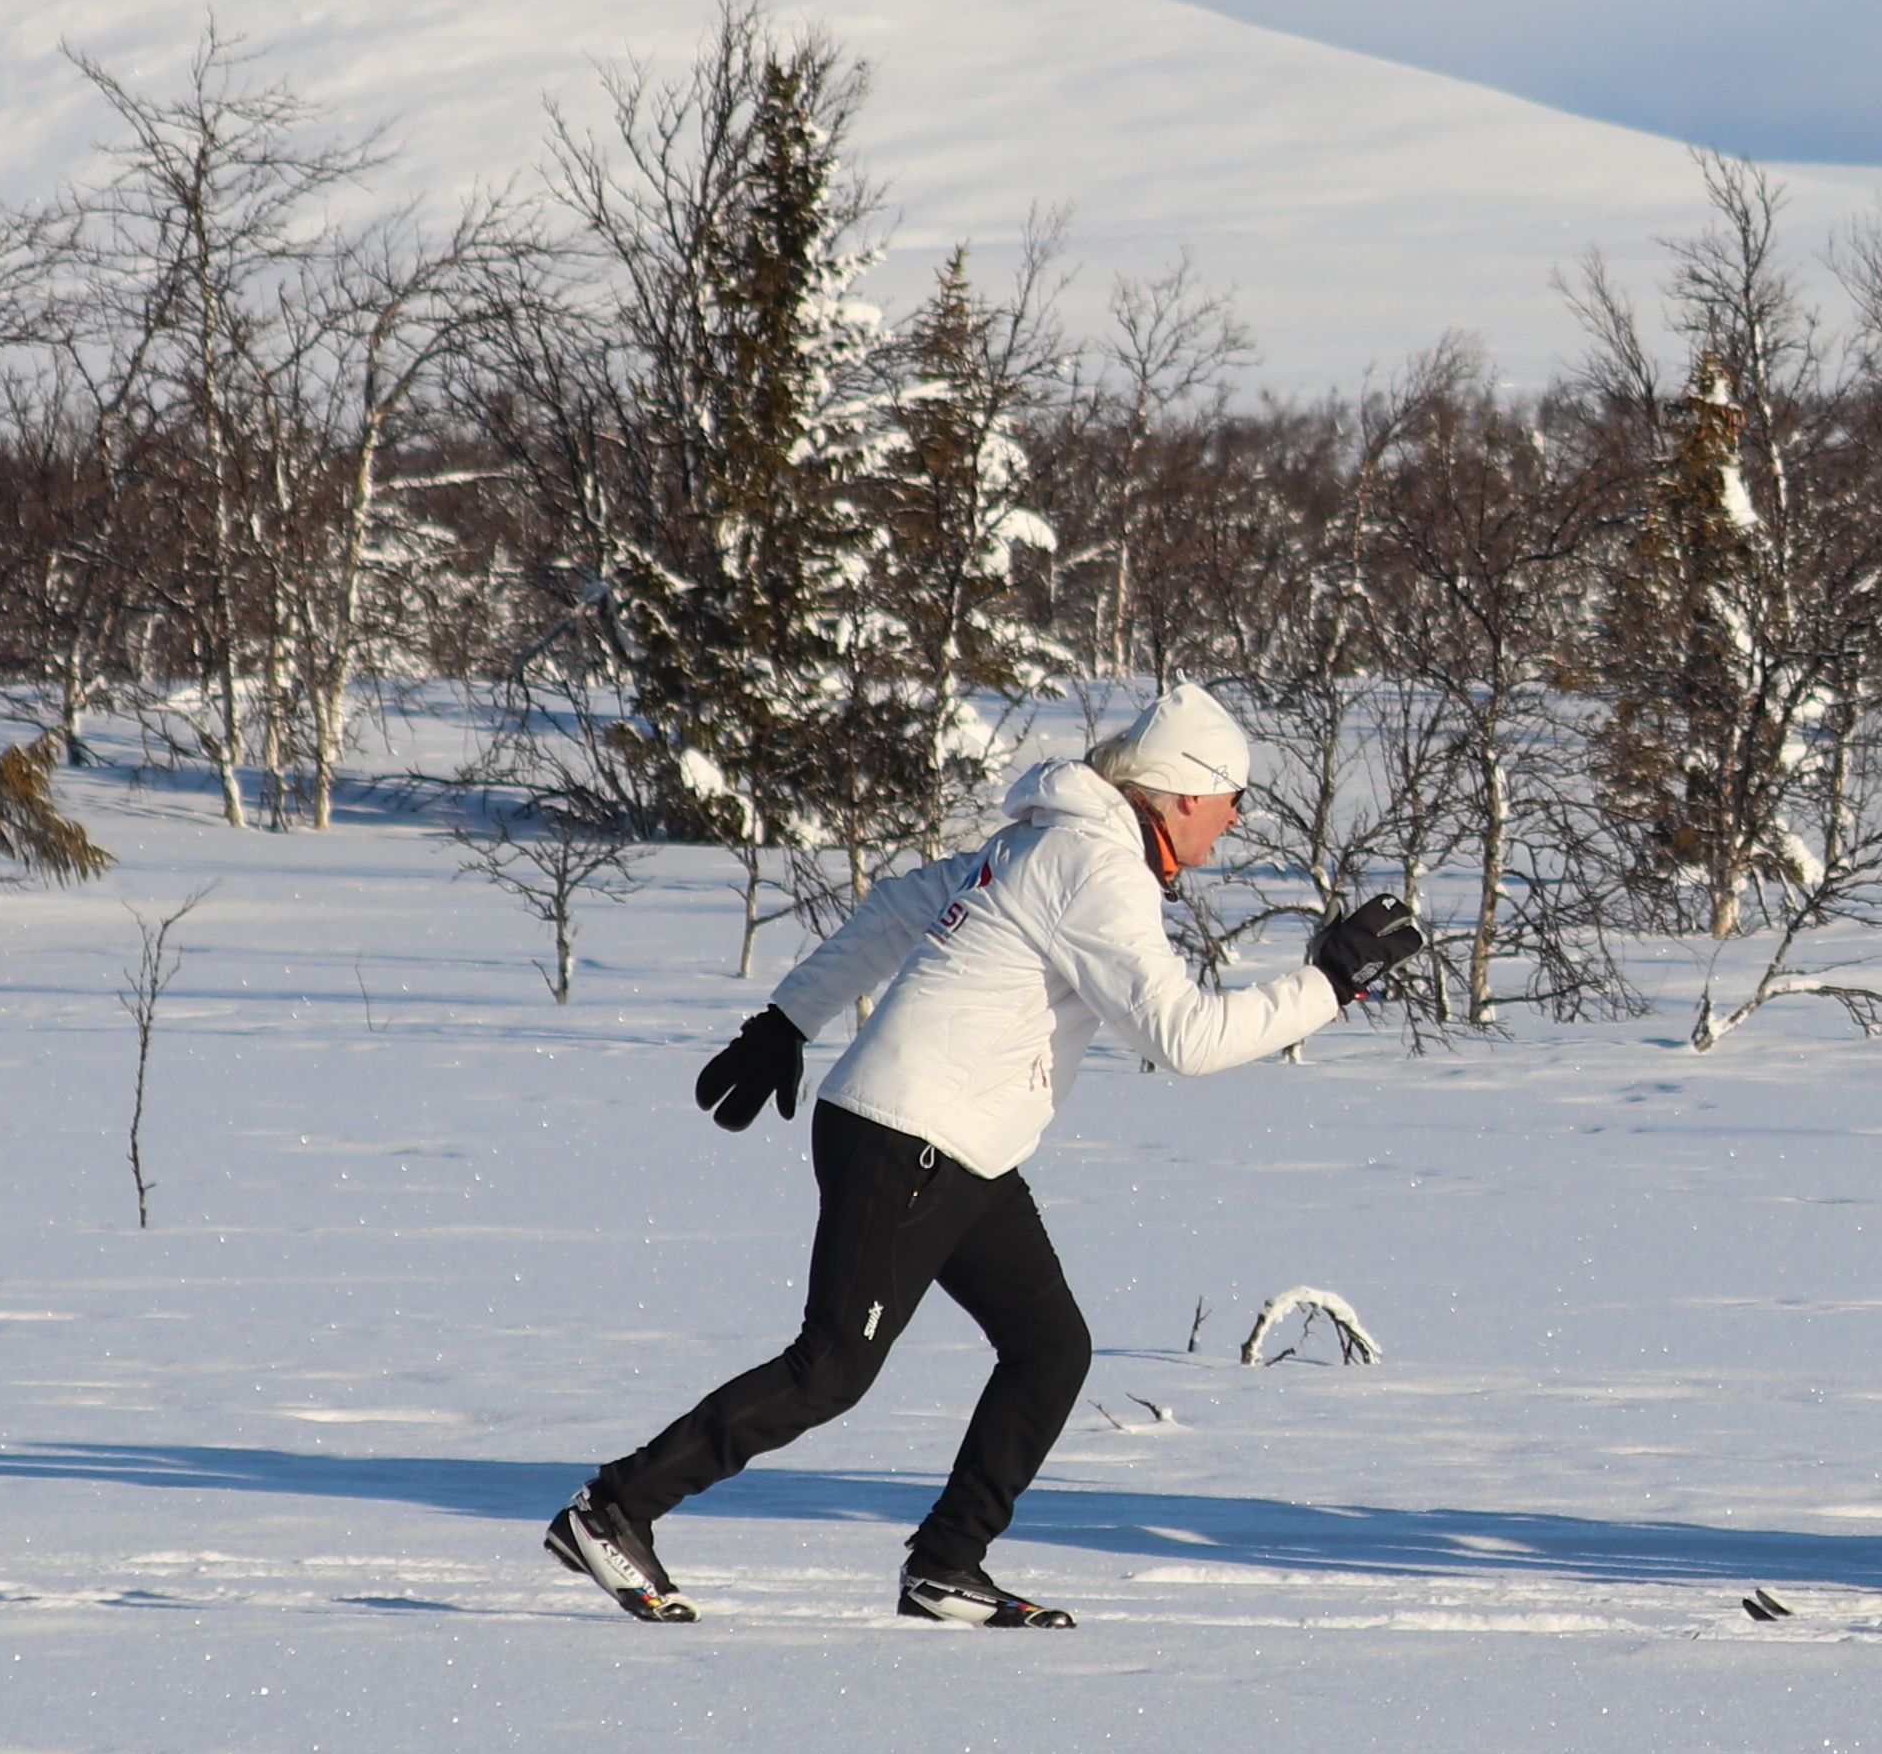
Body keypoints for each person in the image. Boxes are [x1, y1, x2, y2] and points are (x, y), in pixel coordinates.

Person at [547, 683, 1426, 1626]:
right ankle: (614, 1509)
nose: (1238, 816)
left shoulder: (1047, 842)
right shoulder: (1097, 868)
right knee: (832, 1369)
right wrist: (1328, 983)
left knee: (1051, 1350)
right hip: (909, 1137)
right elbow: (1186, 1037)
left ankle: (945, 1566)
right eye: (1231, 796)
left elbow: (894, 910)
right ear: (1179, 794)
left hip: (956, 1149)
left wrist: (789, 1017)